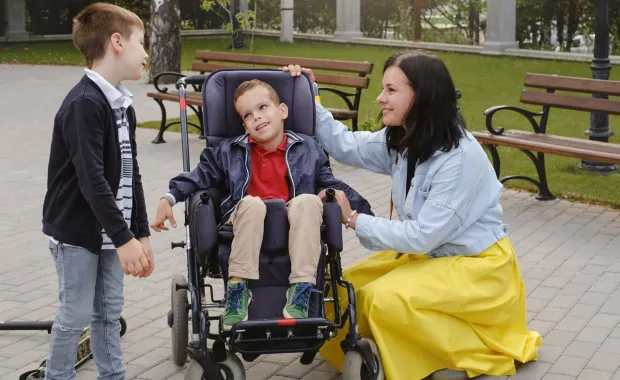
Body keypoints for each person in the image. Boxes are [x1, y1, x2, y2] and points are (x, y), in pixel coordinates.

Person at [283, 51, 542, 380]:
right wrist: (309, 91)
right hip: (428, 258)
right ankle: (391, 351)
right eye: (382, 89)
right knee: (342, 290)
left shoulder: (459, 157)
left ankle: (453, 356)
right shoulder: (404, 139)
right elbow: (344, 143)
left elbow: (423, 235)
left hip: (477, 267)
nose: (380, 98)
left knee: (380, 300)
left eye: (391, 90)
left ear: (422, 96)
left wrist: (354, 218)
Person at [150, 79, 371, 330]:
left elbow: (330, 182)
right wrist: (169, 198)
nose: (257, 117)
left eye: (263, 107)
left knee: (309, 201)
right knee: (253, 204)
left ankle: (301, 289)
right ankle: (238, 289)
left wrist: (364, 216)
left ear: (283, 111)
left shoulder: (308, 148)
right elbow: (199, 175)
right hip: (244, 219)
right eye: (248, 115)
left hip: (292, 222)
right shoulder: (229, 150)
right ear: (243, 124)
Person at [41, 3, 153, 380]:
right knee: (74, 316)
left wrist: (140, 232)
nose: (146, 53)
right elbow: (91, 180)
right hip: (77, 233)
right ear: (117, 42)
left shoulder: (122, 104)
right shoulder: (85, 104)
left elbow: (130, 171)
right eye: (142, 42)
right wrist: (125, 239)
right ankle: (58, 376)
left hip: (112, 231)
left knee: (108, 312)